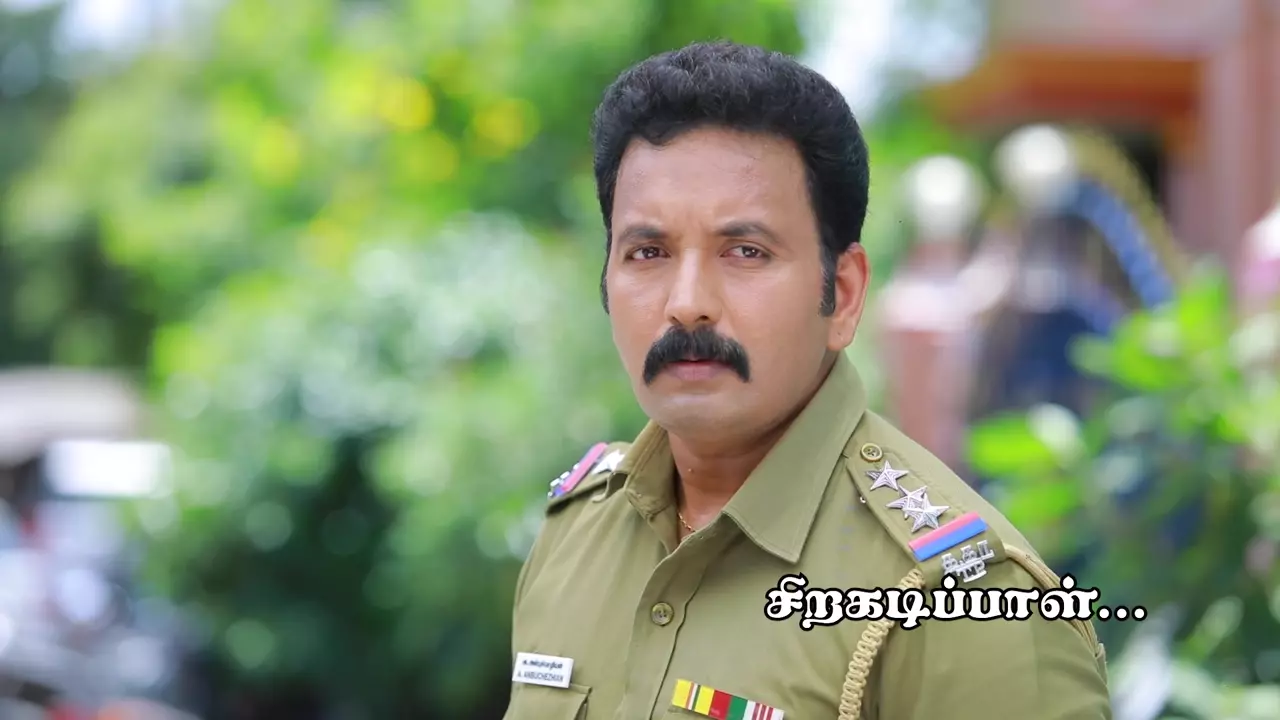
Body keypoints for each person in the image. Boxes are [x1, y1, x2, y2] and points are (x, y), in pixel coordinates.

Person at [504, 41, 1112, 720]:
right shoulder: (575, 536)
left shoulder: (961, 603)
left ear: (843, 295)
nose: (687, 302)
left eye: (745, 251)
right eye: (648, 252)